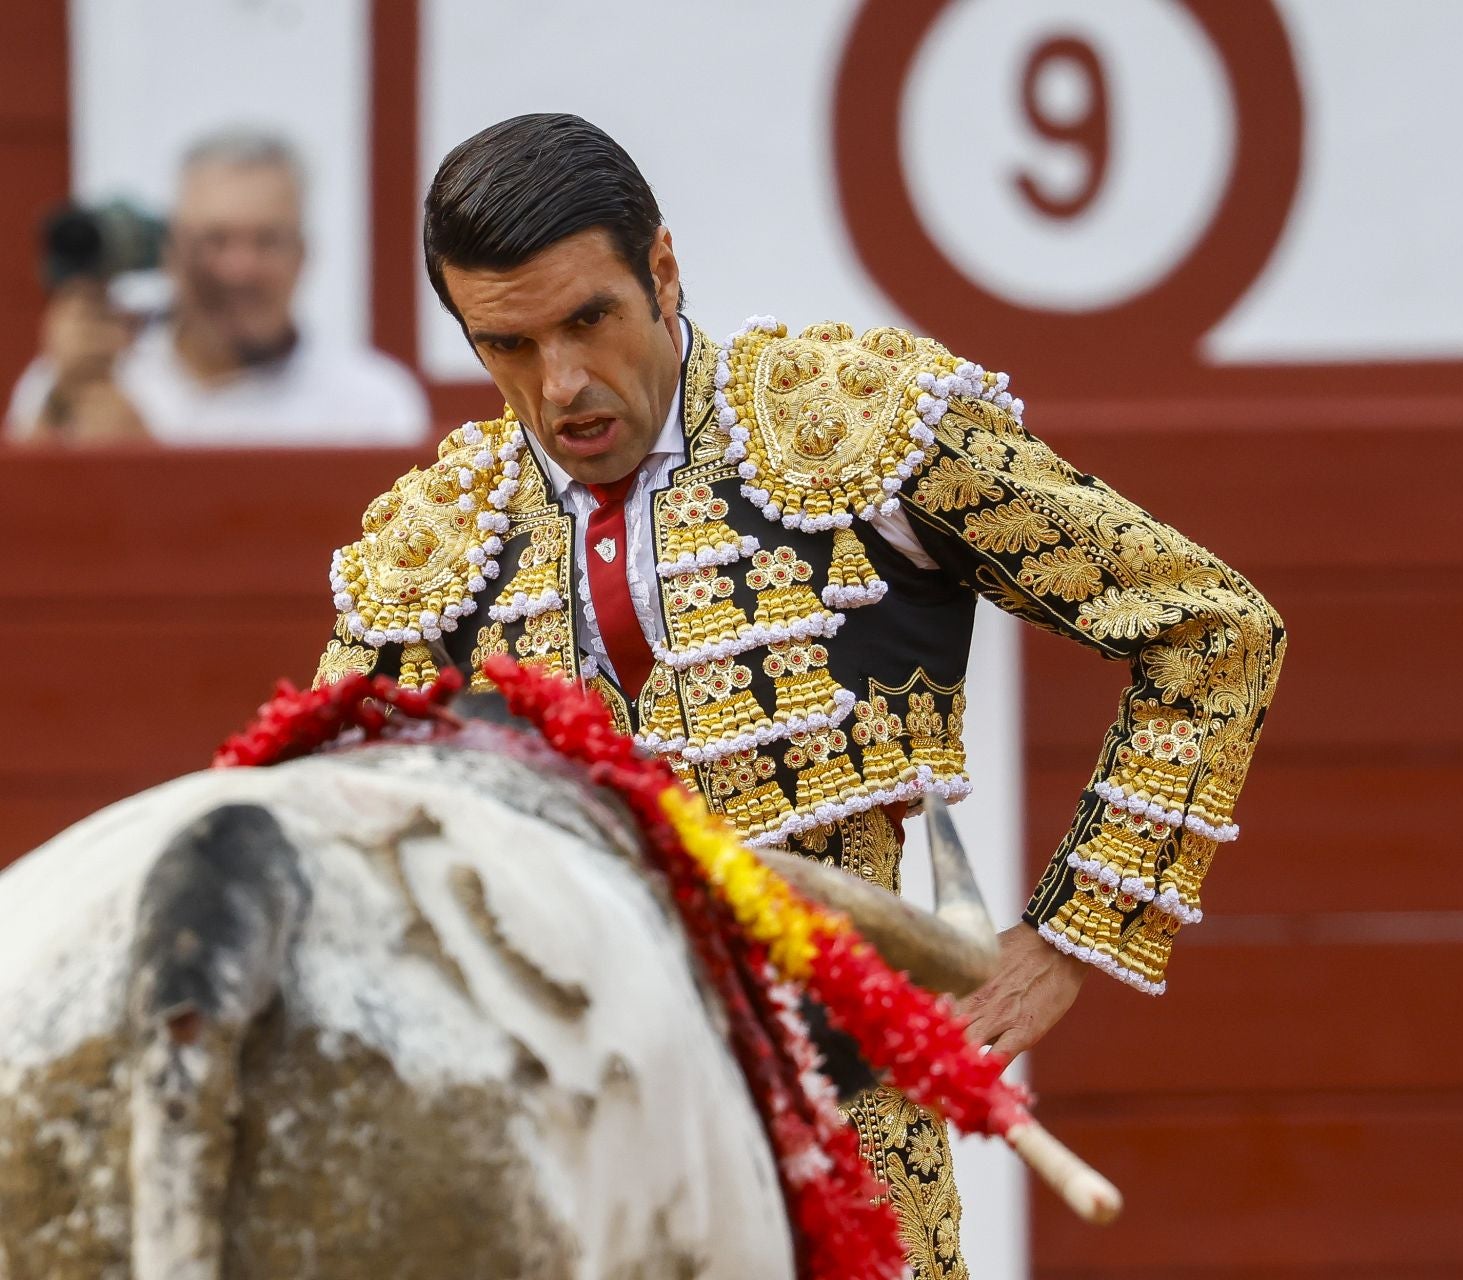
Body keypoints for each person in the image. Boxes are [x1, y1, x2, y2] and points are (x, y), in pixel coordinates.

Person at [316, 112, 1284, 1278]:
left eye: (591, 320)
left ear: (662, 271)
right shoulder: (440, 544)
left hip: (847, 1144)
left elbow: (1211, 629)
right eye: (506, 346)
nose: (561, 383)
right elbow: (326, 839)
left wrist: (1076, 935)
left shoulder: (852, 428)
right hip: (574, 1178)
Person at [7, 129, 429, 447]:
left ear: (302, 256)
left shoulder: (370, 406)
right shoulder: (77, 373)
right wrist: (58, 407)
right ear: (170, 251)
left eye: (266, 241)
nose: (239, 269)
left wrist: (139, 461)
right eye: (215, 240)